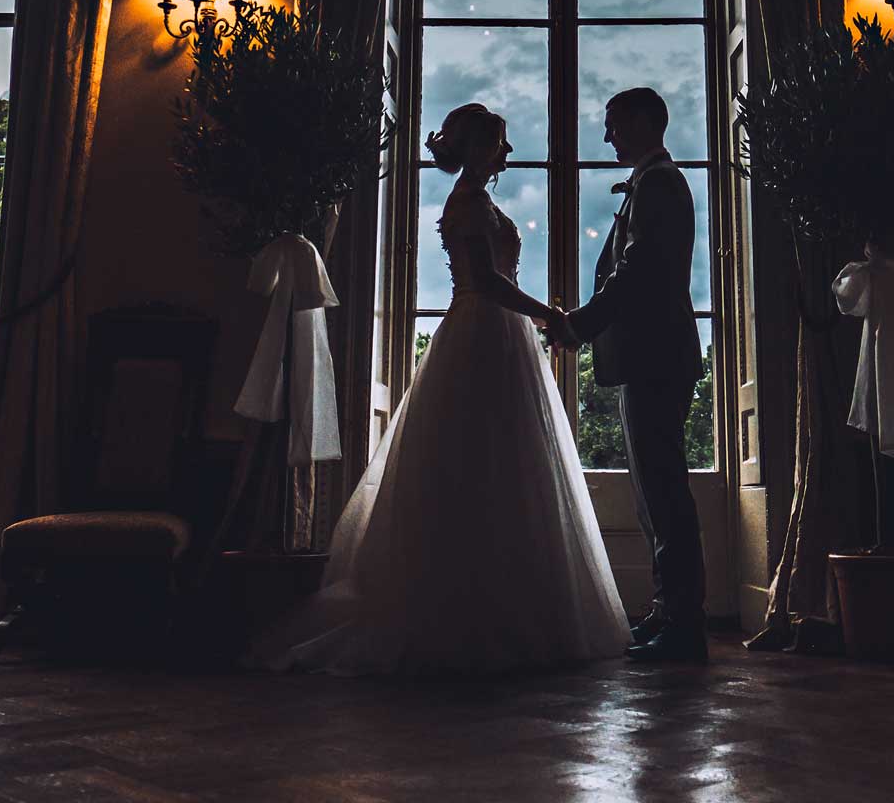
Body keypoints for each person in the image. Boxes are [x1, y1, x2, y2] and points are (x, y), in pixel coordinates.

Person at [248, 103, 628, 675]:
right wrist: (551, 317)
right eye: (500, 141)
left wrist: (539, 321)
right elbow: (487, 283)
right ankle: (469, 615)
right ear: (475, 147)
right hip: (481, 334)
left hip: (498, 337)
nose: (507, 151)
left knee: (507, 467)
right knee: (478, 466)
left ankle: (509, 609)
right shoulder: (468, 204)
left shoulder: (480, 201)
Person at [548, 87, 708, 663]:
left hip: (656, 356)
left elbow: (637, 271)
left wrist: (580, 325)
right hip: (651, 356)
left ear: (644, 122)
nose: (607, 136)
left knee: (664, 492)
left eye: (614, 124)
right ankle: (668, 611)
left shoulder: (659, 183)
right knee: (651, 492)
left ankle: (684, 626)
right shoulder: (652, 181)